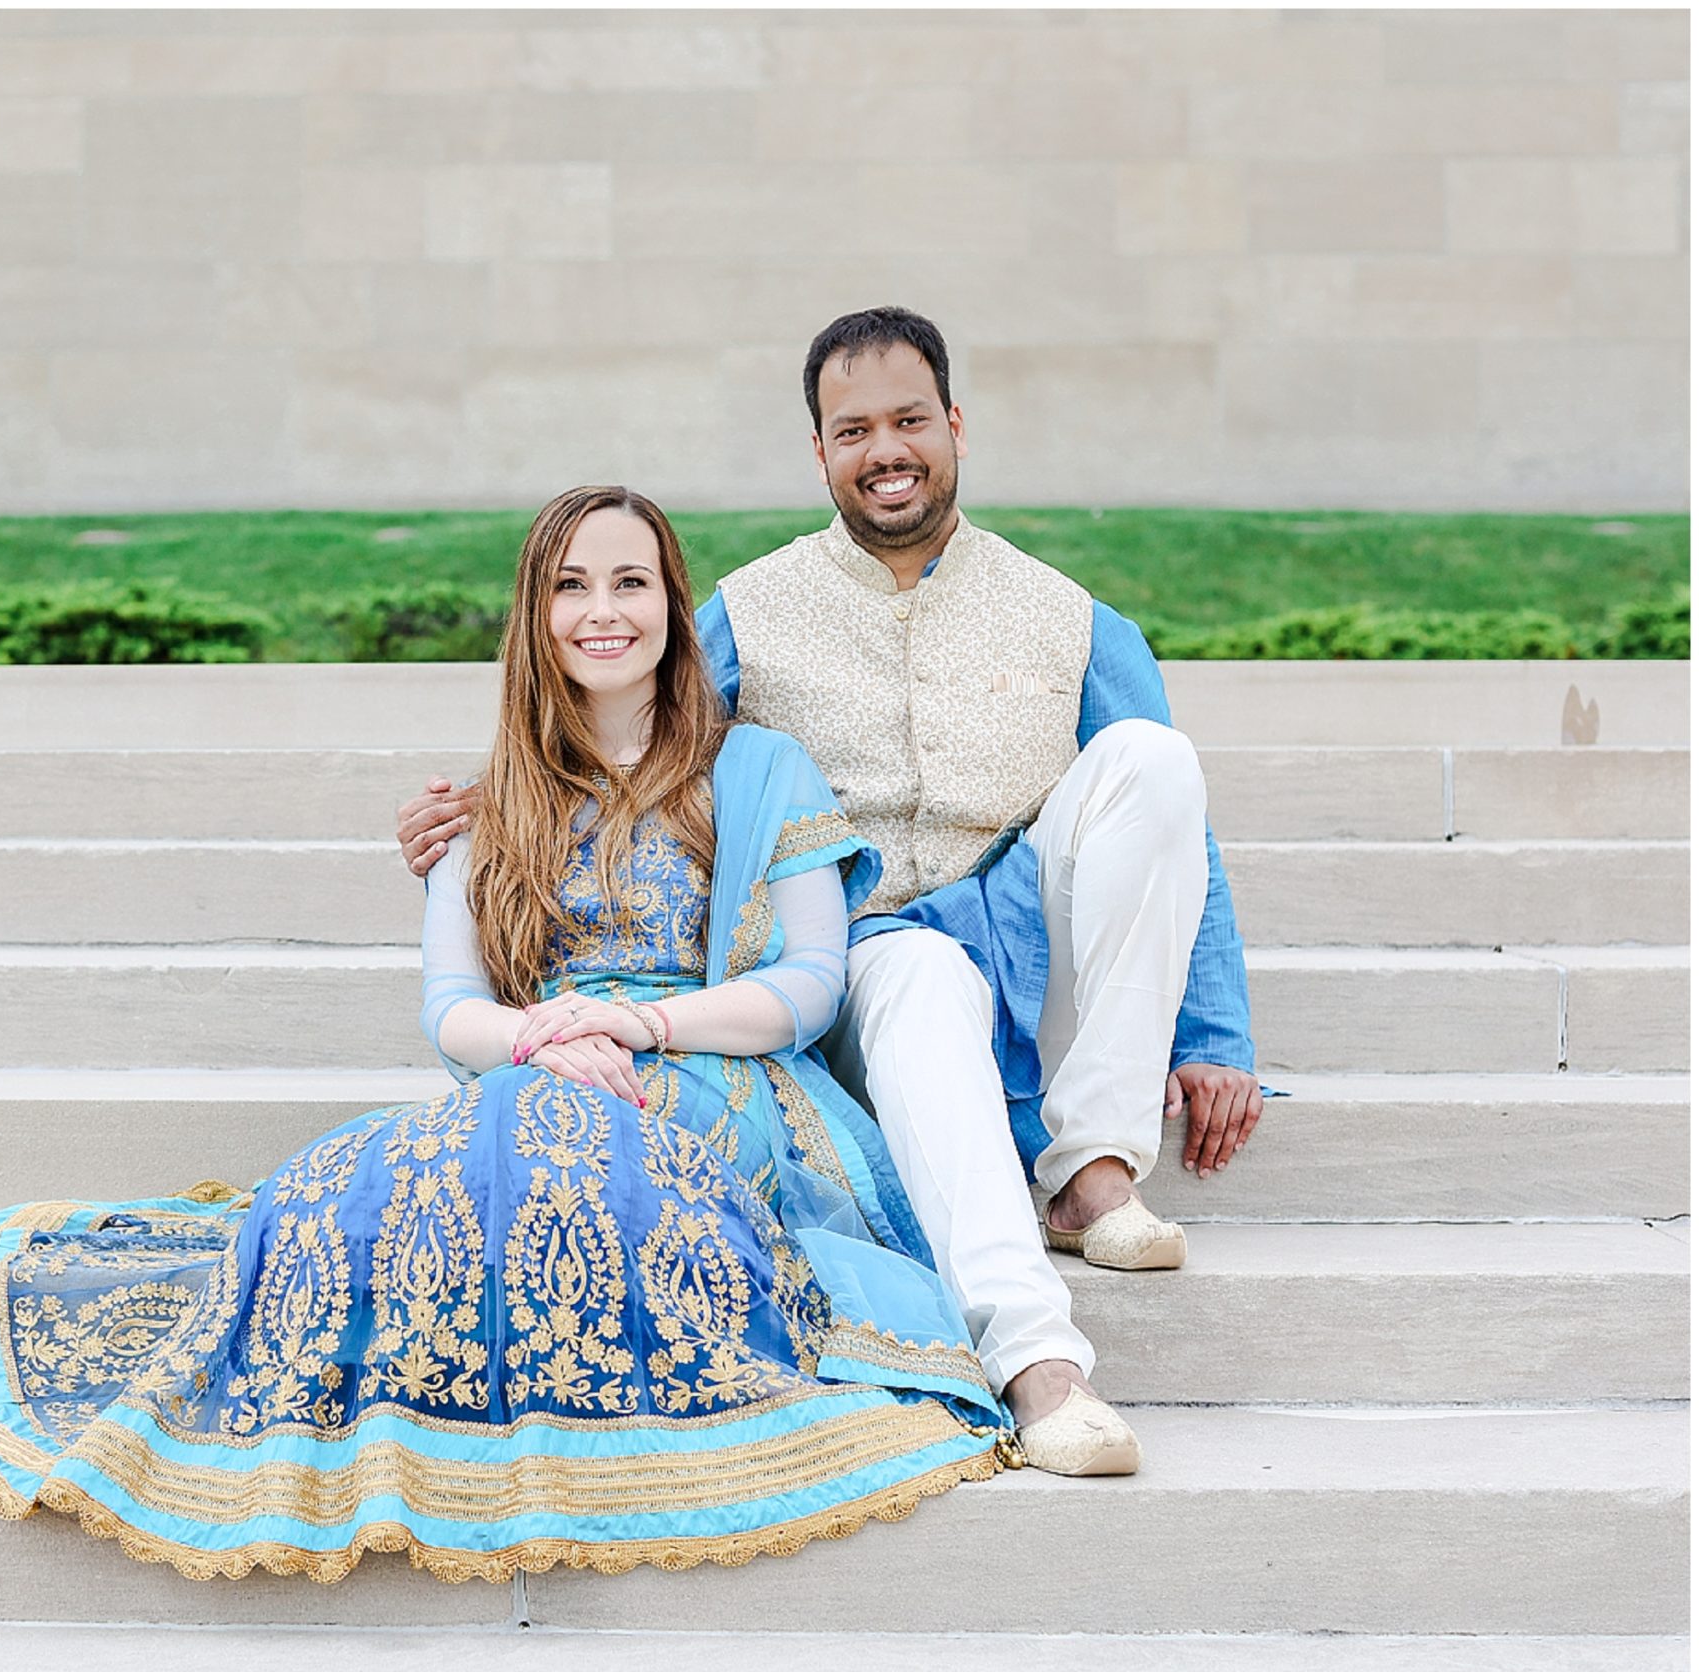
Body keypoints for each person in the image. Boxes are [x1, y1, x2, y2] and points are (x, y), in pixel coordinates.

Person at [0, 485, 1010, 1582]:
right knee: (357, 1197)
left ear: (673, 604)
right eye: (571, 586)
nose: (602, 611)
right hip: (532, 1072)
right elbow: (451, 1009)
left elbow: (810, 982)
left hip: (721, 1073)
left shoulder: (759, 771)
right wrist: (538, 1041)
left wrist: (633, 1019)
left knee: (567, 1158)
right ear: (536, 615)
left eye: (629, 582)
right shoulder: (493, 802)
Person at [400, 309, 1262, 1477]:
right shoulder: (751, 610)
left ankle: (1091, 1167)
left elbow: (1176, 835)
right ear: (820, 452)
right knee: (910, 967)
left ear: (953, 426)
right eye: (853, 429)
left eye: (909, 420)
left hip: (1028, 946)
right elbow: (612, 692)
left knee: (1154, 760)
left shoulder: (1069, 616)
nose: (885, 448)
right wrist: (488, 811)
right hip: (868, 962)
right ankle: (1034, 1361)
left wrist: (1211, 1032)